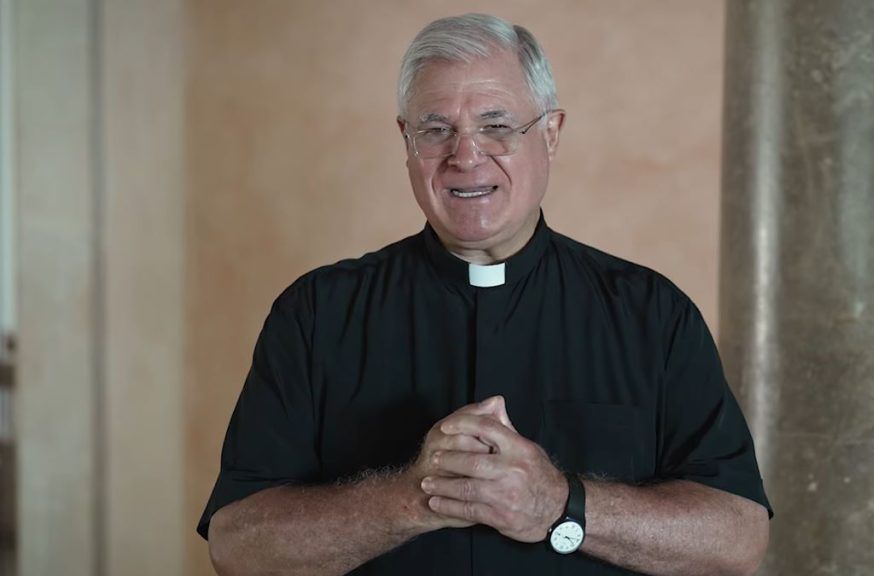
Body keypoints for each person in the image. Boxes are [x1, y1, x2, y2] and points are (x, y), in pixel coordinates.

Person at [199, 13, 771, 576]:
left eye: (497, 126)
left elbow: (737, 538)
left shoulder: (652, 314)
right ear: (407, 140)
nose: (465, 157)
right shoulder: (317, 314)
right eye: (436, 129)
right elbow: (238, 545)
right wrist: (415, 497)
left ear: (550, 133)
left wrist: (559, 504)